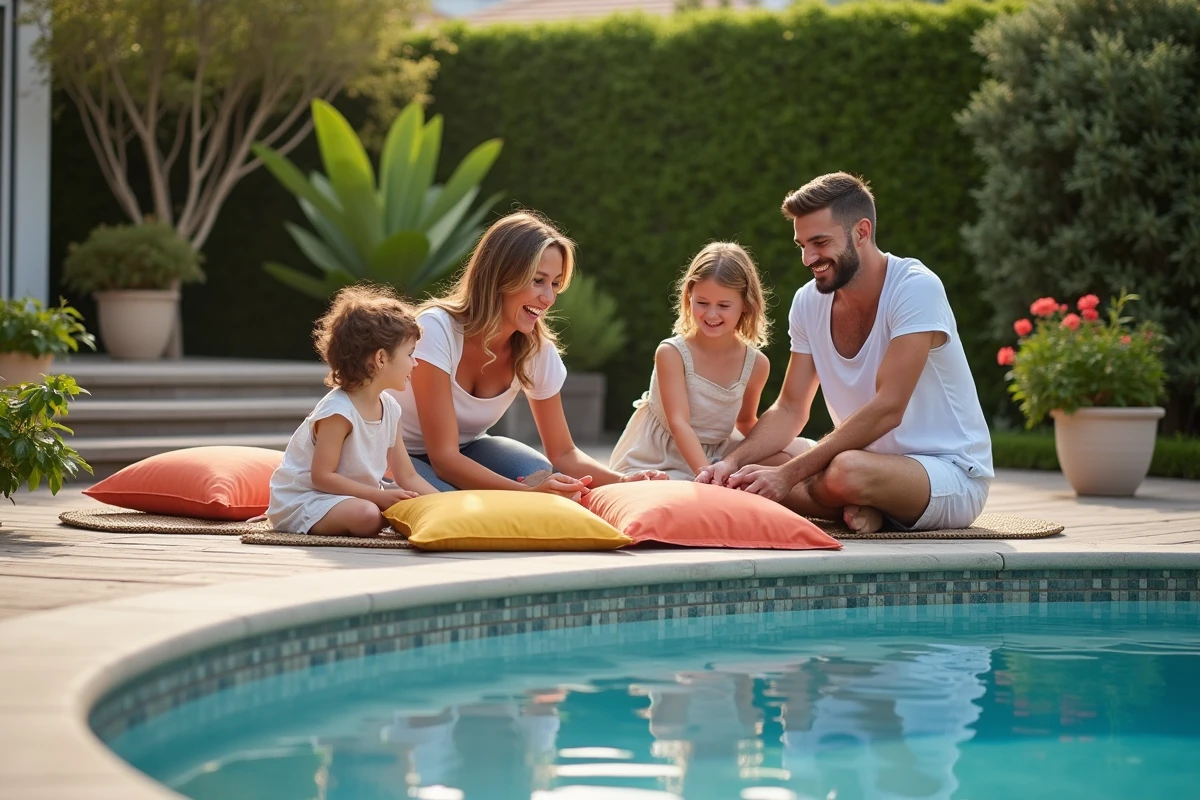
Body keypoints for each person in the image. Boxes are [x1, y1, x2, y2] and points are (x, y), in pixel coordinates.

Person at [697, 172, 993, 534]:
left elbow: (888, 409)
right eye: (801, 245)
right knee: (750, 465)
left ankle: (851, 501)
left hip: (948, 474)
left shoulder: (916, 289)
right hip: (863, 463)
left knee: (844, 470)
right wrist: (730, 463)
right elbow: (790, 407)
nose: (809, 257)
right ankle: (866, 508)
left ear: (862, 232)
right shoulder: (808, 302)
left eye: (819, 242)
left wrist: (788, 476)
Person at [398, 210, 667, 494]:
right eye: (537, 280)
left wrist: (623, 482)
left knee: (544, 477)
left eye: (555, 283)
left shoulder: (536, 350)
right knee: (450, 502)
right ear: (500, 276)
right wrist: (527, 494)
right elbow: (444, 458)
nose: (548, 298)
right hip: (396, 452)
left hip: (468, 450)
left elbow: (563, 453)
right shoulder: (436, 329)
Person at [611, 242, 808, 479]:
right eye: (702, 303)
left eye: (724, 305)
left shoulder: (756, 364)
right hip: (661, 455)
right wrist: (707, 475)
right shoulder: (672, 353)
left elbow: (746, 422)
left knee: (788, 459)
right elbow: (679, 423)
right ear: (689, 297)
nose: (711, 314)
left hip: (718, 454)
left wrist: (791, 451)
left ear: (745, 304)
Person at [268, 284, 438, 536]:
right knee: (368, 515)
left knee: (399, 504)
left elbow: (408, 476)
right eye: (410, 354)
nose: (415, 363)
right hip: (309, 499)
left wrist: (443, 505)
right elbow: (322, 477)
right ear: (380, 359)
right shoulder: (338, 412)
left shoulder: (390, 408)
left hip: (355, 498)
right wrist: (378, 497)